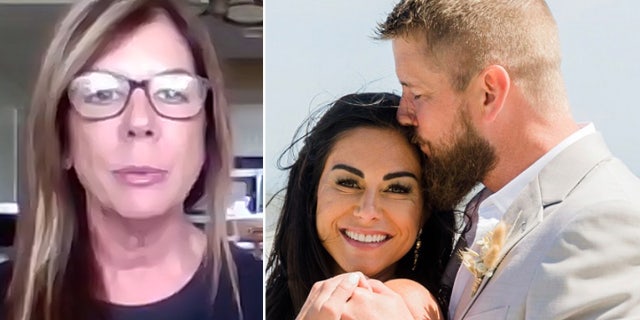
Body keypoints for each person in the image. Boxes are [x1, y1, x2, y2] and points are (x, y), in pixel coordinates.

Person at [376, 0, 640, 319]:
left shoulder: (600, 225)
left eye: (416, 93)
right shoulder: (493, 208)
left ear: (489, 93)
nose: (404, 115)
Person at [0, 0, 261, 319]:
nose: (139, 122)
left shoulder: (270, 297)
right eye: (102, 93)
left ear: (206, 135)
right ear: (63, 140)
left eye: (173, 92)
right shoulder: (8, 299)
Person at [266, 92, 458, 319]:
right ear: (312, 191)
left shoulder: (412, 303)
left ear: (426, 208)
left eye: (397, 188)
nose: (368, 212)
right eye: (348, 183)